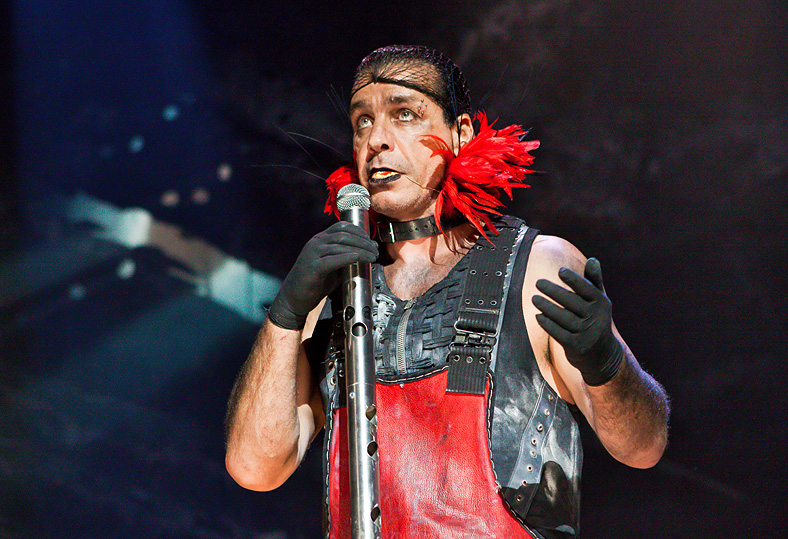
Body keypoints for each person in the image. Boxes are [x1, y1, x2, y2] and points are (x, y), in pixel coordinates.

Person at [225, 45, 670, 538]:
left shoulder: (538, 265)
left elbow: (643, 447)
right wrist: (285, 316)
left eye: (404, 114)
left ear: (460, 133)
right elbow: (253, 468)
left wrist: (608, 366)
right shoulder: (334, 292)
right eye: (362, 122)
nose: (377, 140)